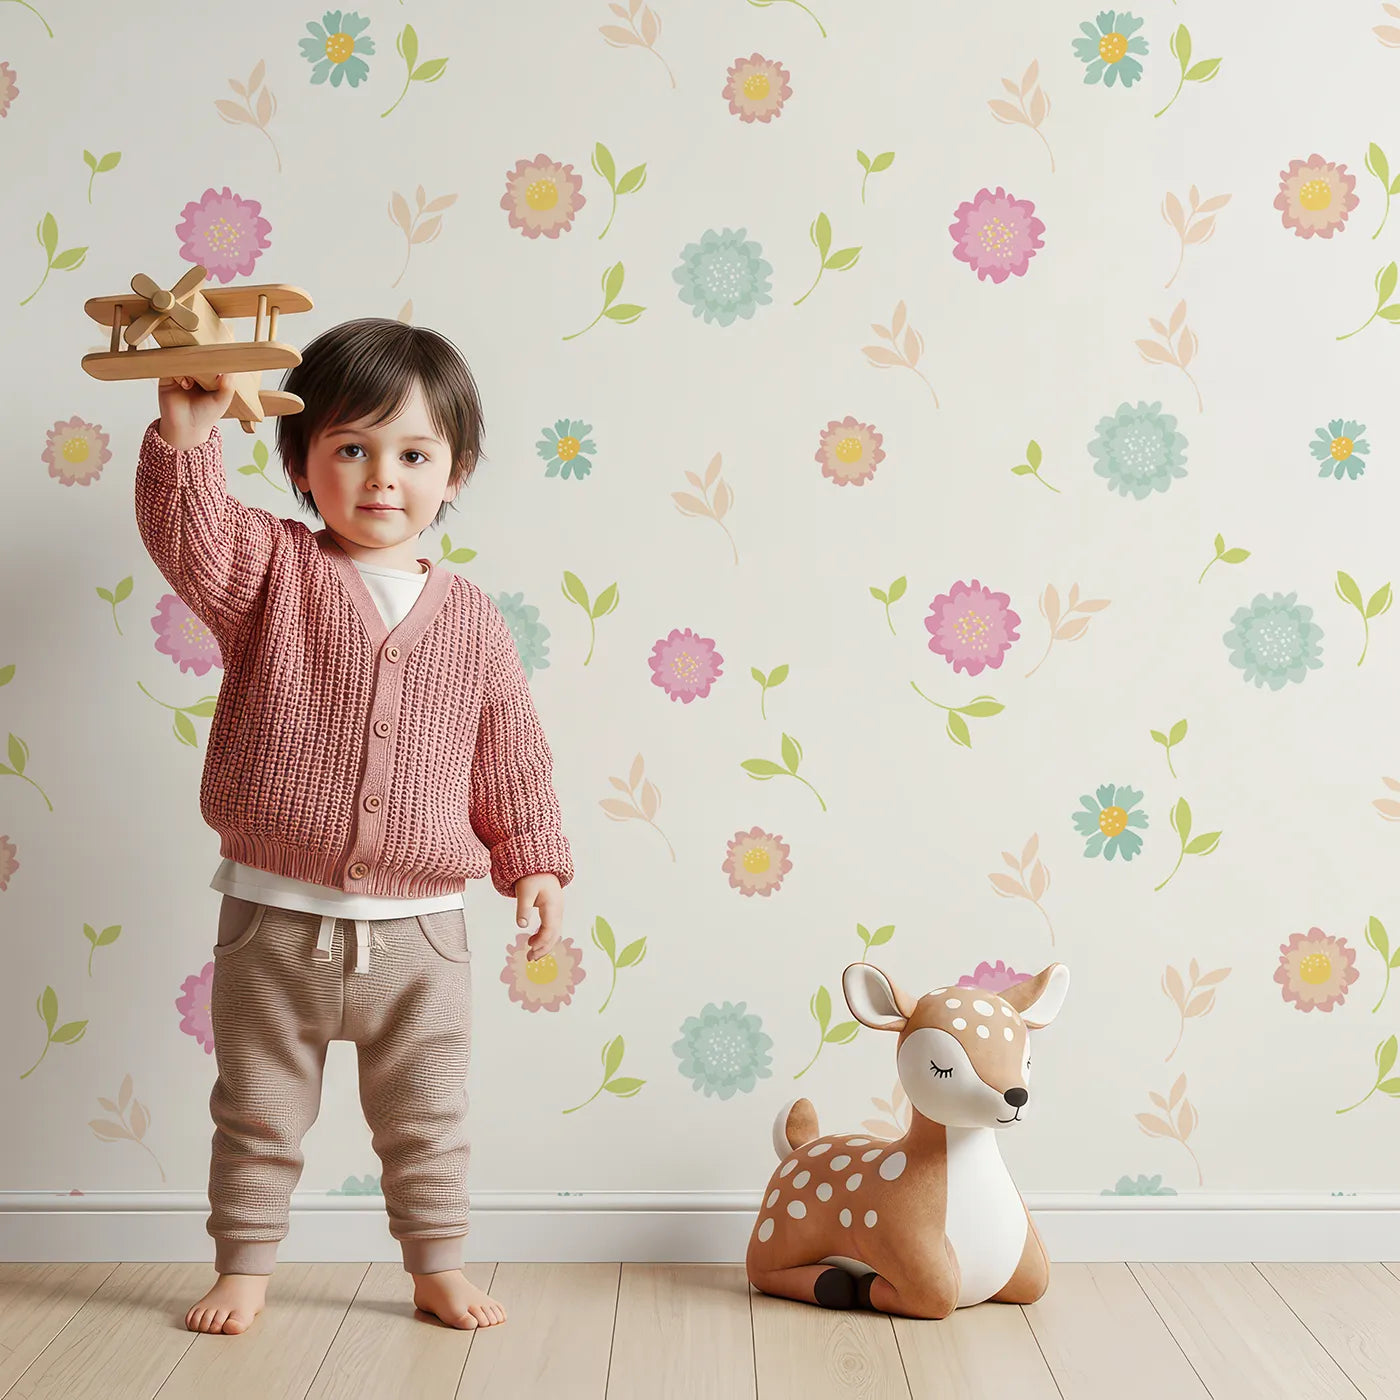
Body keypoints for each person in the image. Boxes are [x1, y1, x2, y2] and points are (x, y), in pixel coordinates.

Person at [135, 319, 573, 1336]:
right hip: (271, 920)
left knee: (426, 1116)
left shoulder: (470, 620)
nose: (382, 477)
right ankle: (244, 1266)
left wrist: (534, 863)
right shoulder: (269, 574)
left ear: (457, 468)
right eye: (351, 448)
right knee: (256, 1107)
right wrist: (187, 439)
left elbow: (510, 751)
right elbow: (187, 535)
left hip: (423, 932)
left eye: (413, 453)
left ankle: (436, 1265)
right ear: (299, 460)